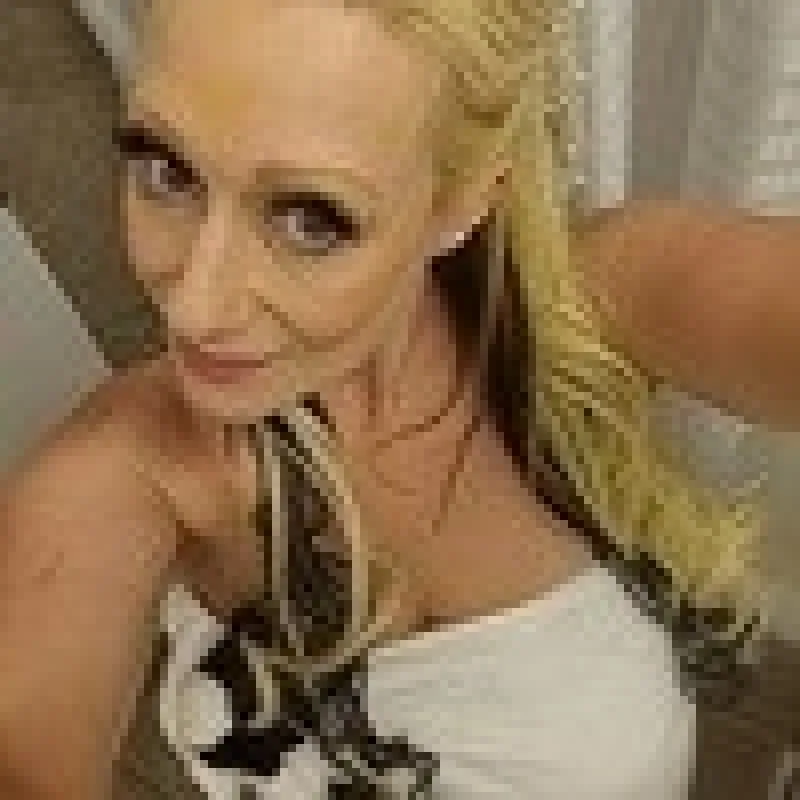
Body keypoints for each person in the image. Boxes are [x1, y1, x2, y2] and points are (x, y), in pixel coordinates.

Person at [3, 0, 800, 797]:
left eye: (310, 219)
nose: (194, 307)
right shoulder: (125, 466)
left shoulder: (600, 304)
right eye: (166, 169)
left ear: (463, 201)